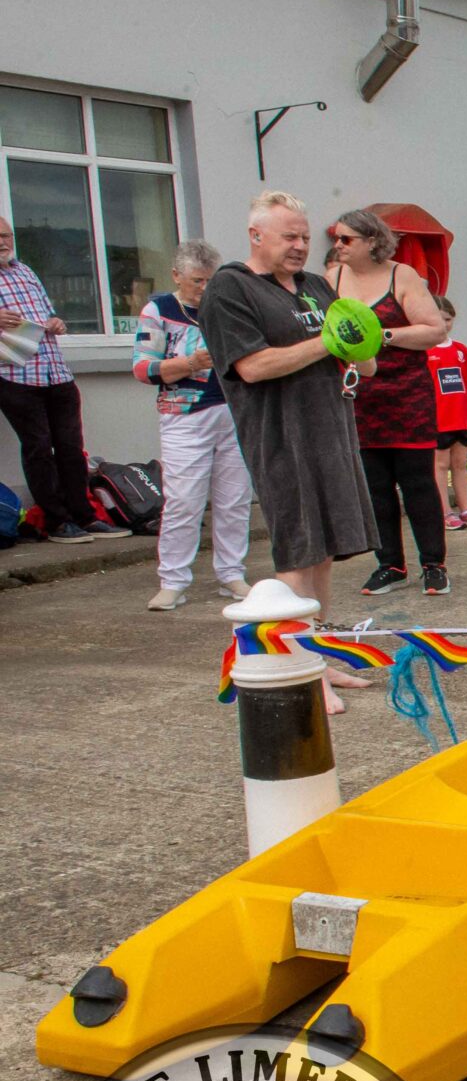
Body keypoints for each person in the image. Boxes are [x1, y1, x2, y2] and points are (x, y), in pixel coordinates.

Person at [198, 191, 378, 712]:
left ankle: (317, 656)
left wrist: (361, 343)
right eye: (289, 237)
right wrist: (330, 339)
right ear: (257, 236)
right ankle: (296, 667)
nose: (301, 246)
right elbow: (251, 366)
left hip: (333, 428)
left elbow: (364, 361)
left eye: (305, 237)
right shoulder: (231, 288)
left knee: (323, 549)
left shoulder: (316, 286)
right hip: (281, 434)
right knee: (297, 548)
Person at [329, 208, 452, 597]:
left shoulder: (403, 275)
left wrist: (380, 336)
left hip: (406, 395)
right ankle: (389, 564)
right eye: (336, 237)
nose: (337, 245)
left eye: (346, 239)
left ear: (372, 242)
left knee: (418, 484)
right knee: (375, 486)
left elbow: (432, 330)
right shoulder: (331, 278)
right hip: (359, 397)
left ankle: (433, 564)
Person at [133, 239, 250, 608]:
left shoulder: (226, 307)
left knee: (235, 498)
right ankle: (173, 579)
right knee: (184, 500)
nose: (204, 289)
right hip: (184, 414)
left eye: (210, 281)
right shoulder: (159, 310)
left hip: (234, 410)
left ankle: (231, 573)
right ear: (176, 277)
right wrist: (189, 364)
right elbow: (142, 368)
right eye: (197, 281)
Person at [0, 215, 129, 543]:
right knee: (39, 448)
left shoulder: (25, 271)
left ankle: (85, 516)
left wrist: (56, 322)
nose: (3, 242)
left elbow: (48, 312)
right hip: (16, 375)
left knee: (72, 449)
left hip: (55, 371)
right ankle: (57, 522)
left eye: (7, 235)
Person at [423, 297, 467, 530]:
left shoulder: (460, 349)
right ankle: (444, 511)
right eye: (440, 319)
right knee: (439, 465)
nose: (445, 324)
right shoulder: (425, 350)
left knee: (460, 464)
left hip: (461, 417)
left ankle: (466, 509)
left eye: (448, 319)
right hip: (438, 419)